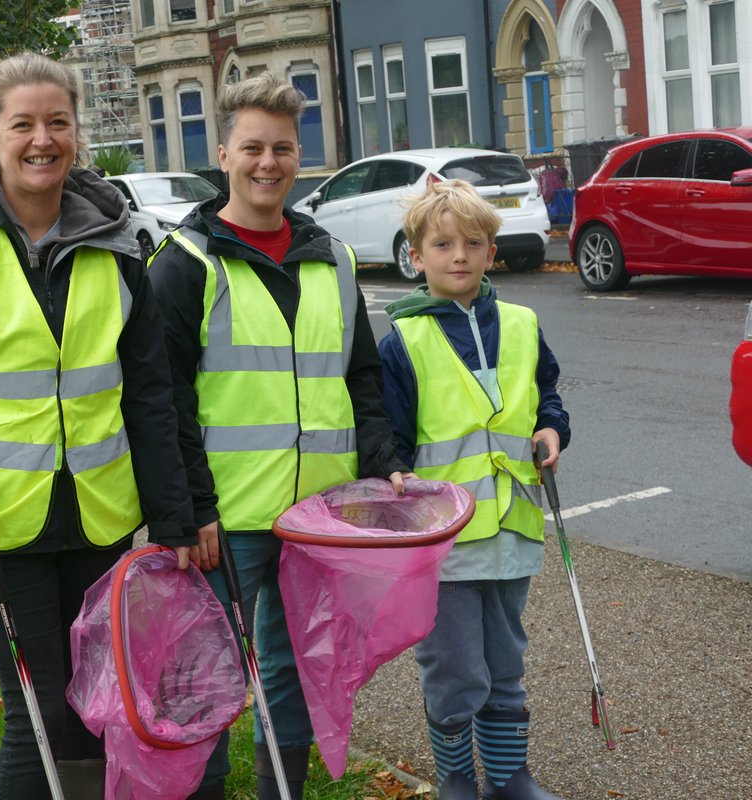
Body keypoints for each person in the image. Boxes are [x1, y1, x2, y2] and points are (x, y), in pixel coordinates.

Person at [0, 52, 196, 800]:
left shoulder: (120, 245)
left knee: (94, 713)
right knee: (39, 716)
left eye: (58, 122)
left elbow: (150, 393)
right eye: (23, 124)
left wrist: (175, 520)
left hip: (102, 523)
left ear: (77, 133)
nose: (42, 139)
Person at [147, 71, 409, 800]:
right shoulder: (185, 264)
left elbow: (361, 379)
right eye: (253, 148)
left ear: (300, 156)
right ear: (224, 155)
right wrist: (188, 511)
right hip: (224, 522)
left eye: (285, 149)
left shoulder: (334, 258)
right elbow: (162, 403)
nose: (270, 164)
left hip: (318, 518)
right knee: (205, 672)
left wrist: (380, 462)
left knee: (295, 668)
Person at [376, 179, 571, 800]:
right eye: (442, 244)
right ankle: (458, 778)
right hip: (443, 540)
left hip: (512, 527)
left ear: (492, 251)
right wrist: (394, 474)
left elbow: (548, 396)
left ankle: (510, 776)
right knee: (454, 666)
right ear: (417, 257)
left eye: (473, 243)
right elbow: (391, 434)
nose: (458, 255)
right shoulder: (401, 341)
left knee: (505, 660)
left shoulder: (521, 322)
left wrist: (551, 429)